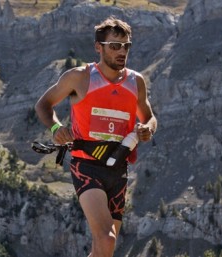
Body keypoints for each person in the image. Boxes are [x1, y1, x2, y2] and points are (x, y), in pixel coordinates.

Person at [34, 17, 157, 257]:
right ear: (98, 47)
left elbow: (150, 117)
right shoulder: (79, 77)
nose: (122, 52)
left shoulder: (136, 81)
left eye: (126, 46)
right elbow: (43, 105)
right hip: (86, 166)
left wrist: (147, 129)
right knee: (106, 238)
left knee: (103, 250)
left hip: (118, 167)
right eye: (114, 46)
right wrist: (56, 128)